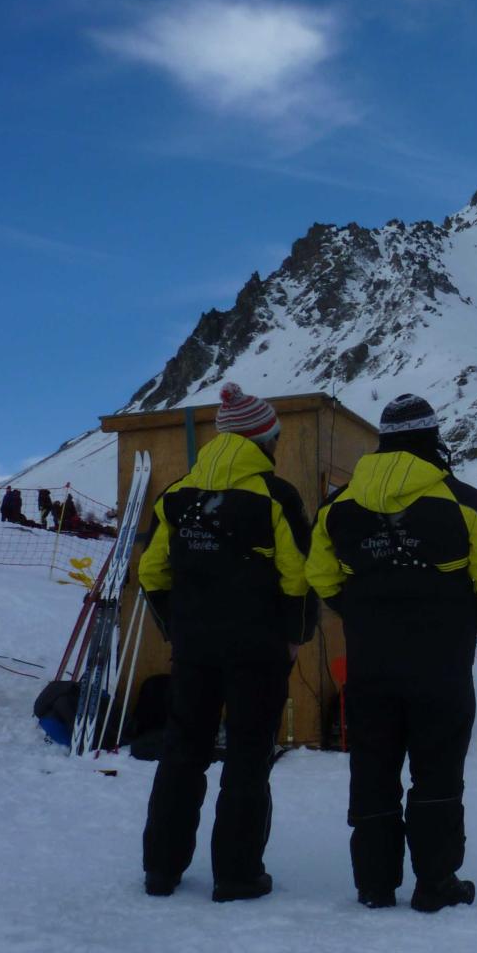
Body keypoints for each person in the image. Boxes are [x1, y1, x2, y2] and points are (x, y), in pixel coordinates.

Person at [308, 393, 477, 912]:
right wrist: (473, 617)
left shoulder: (339, 505)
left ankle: (375, 884)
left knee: (373, 769)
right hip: (440, 664)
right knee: (438, 770)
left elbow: (319, 574)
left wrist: (355, 609)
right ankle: (435, 884)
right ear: (431, 438)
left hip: (371, 664)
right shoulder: (462, 500)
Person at [139, 383, 317, 904]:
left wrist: (177, 629)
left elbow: (151, 572)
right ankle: (236, 875)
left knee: (182, 752)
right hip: (258, 650)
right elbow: (299, 576)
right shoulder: (275, 495)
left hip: (194, 650)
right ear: (263, 440)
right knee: (246, 757)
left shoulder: (176, 496)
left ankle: (161, 869)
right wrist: (294, 636)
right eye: (275, 438)